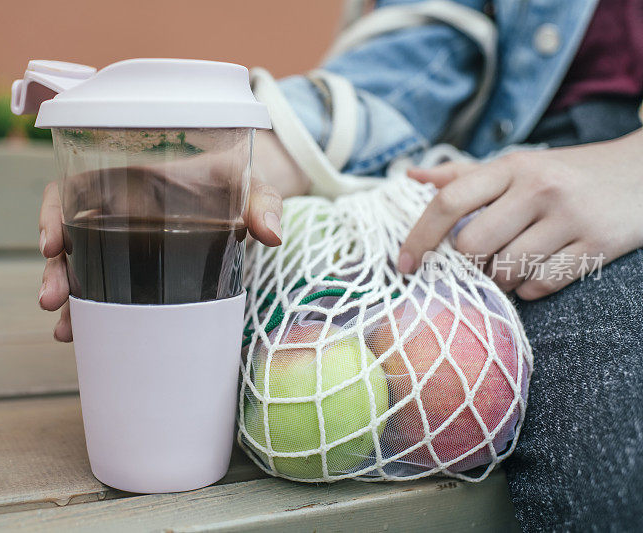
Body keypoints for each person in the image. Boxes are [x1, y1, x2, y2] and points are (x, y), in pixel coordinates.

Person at [38, 0, 643, 530]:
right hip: (475, 203)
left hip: (610, 209)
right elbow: (418, 55)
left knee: (616, 468)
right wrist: (209, 163)